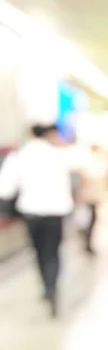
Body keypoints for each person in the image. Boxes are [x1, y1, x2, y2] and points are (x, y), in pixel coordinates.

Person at [0, 124, 77, 318]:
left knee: (40, 252)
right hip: (57, 211)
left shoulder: (19, 157)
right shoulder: (59, 155)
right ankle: (52, 285)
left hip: (32, 212)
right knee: (54, 251)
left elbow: (5, 189)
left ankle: (47, 286)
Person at [78, 144, 108, 255]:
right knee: (89, 218)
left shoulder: (96, 162)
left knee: (92, 218)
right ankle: (87, 241)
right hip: (88, 196)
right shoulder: (89, 163)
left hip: (93, 196)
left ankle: (88, 241)